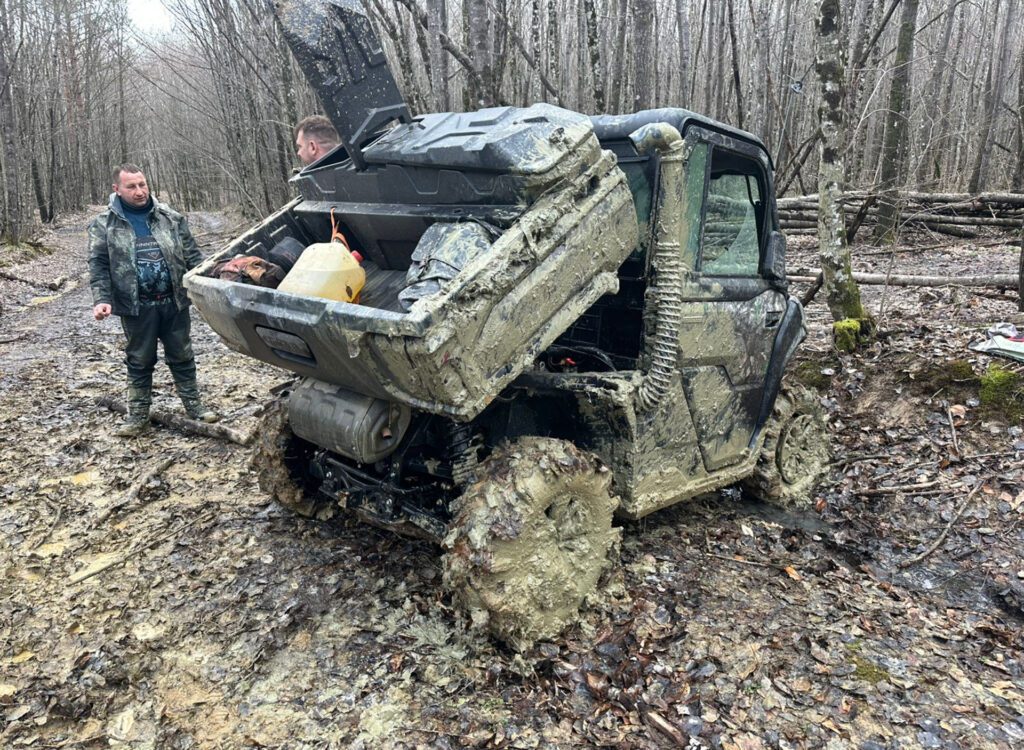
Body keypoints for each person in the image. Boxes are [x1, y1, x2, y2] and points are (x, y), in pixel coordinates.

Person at [88, 163, 219, 437]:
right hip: (136, 307)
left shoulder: (170, 217)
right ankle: (137, 417)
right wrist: (102, 298)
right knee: (139, 360)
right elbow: (98, 264)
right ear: (117, 190)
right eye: (131, 186)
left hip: (174, 302)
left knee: (182, 355)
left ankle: (195, 407)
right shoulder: (104, 224)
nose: (139, 191)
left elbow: (193, 257)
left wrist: (210, 284)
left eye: (142, 184)